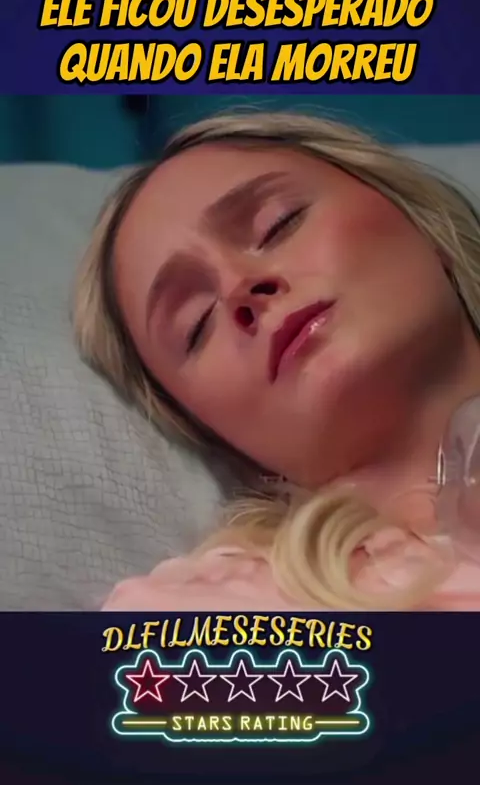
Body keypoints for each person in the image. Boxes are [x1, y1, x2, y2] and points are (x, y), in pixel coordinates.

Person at [73, 111, 480, 611]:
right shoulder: (212, 613)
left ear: (424, 226)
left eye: (278, 224)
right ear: (215, 433)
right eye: (196, 323)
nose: (240, 287)